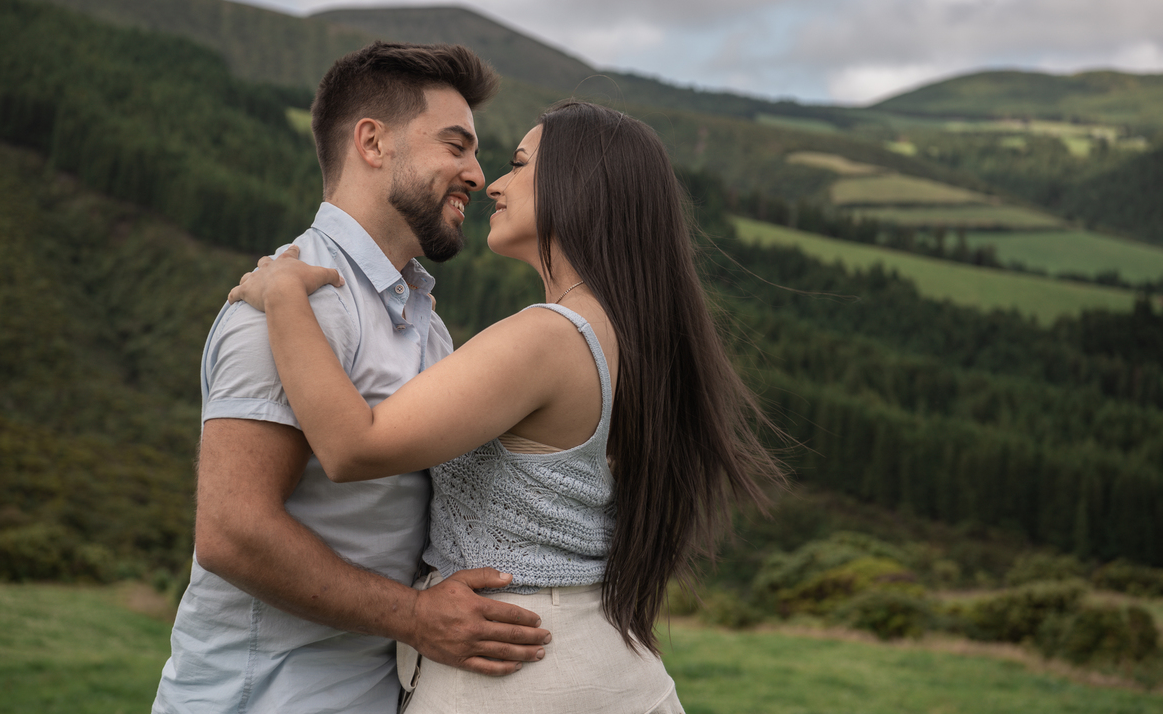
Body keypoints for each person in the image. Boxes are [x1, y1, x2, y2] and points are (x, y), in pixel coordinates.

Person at [229, 100, 788, 713]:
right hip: (602, 656)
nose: (493, 181)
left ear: (580, 187)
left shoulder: (549, 337)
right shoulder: (630, 332)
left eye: (519, 165)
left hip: (515, 668)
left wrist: (284, 295)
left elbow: (351, 447)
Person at [152, 41, 552, 714]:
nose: (476, 174)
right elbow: (232, 529)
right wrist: (417, 617)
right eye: (457, 146)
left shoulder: (425, 322)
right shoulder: (294, 302)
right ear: (372, 142)